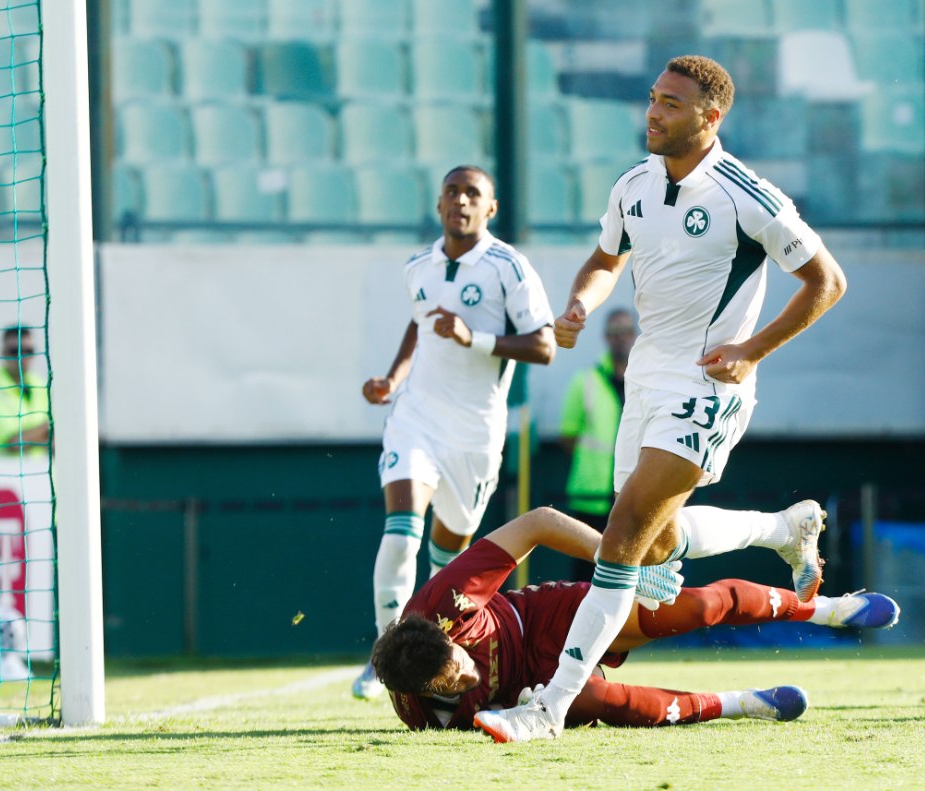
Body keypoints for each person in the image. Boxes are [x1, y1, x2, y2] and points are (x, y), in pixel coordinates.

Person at [473, 55, 848, 742]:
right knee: (656, 547)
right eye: (652, 98)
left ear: (711, 117)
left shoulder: (747, 196)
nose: (653, 111)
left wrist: (751, 349)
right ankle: (782, 528)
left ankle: (549, 707)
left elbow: (827, 282)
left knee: (620, 538)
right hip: (644, 379)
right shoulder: (633, 186)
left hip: (708, 383)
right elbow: (605, 257)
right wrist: (582, 302)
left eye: (670, 103)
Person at [372, 506, 900, 734]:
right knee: (597, 701)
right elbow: (478, 721)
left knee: (696, 608)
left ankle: (827, 609)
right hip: (529, 689)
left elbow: (539, 522)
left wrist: (616, 568)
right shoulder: (422, 716)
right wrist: (517, 705)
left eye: (460, 661)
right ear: (421, 693)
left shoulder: (445, 599)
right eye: (453, 683)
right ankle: (740, 706)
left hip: (540, 622)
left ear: (446, 633)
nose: (467, 675)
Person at [353, 166, 556, 700]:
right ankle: (385, 655)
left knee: (448, 562)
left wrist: (475, 338)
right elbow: (419, 323)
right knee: (401, 530)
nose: (459, 201)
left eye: (472, 194)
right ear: (439, 203)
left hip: (475, 433)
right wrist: (393, 379)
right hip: (416, 418)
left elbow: (544, 346)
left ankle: (442, 655)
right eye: (451, 191)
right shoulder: (417, 266)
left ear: (490, 209)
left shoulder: (508, 267)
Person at [558, 308, 635, 579]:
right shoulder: (585, 381)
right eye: (615, 333)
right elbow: (568, 436)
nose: (620, 338)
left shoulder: (646, 383)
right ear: (605, 337)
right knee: (584, 578)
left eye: (626, 331)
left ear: (635, 335)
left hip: (633, 497)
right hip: (590, 499)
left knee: (627, 575)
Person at [0, 325, 50, 457]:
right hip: (2, 475)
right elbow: (13, 444)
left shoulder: (42, 387)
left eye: (28, 351)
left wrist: (32, 437)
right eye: (15, 351)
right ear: (3, 354)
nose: (22, 357)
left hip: (42, 474)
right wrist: (47, 428)